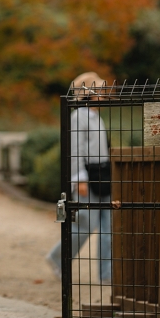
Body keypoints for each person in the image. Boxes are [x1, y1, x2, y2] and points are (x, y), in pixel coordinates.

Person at [47, 72, 112, 284]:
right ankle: (58, 259)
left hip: (103, 175)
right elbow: (75, 150)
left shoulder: (96, 116)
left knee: (108, 227)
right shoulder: (79, 117)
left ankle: (107, 274)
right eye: (100, 90)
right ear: (90, 93)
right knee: (85, 225)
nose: (104, 94)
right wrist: (80, 179)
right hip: (88, 176)